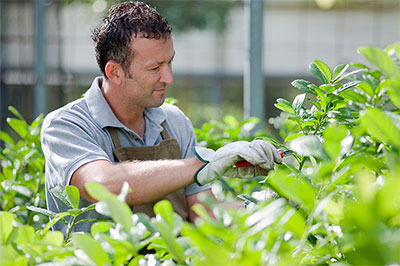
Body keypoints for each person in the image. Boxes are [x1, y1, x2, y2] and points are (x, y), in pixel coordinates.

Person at [41, 1, 282, 236]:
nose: (168, 78)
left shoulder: (175, 122)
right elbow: (102, 185)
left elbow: (205, 217)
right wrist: (202, 165)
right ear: (115, 72)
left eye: (170, 63)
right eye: (155, 68)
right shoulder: (67, 125)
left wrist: (268, 206)